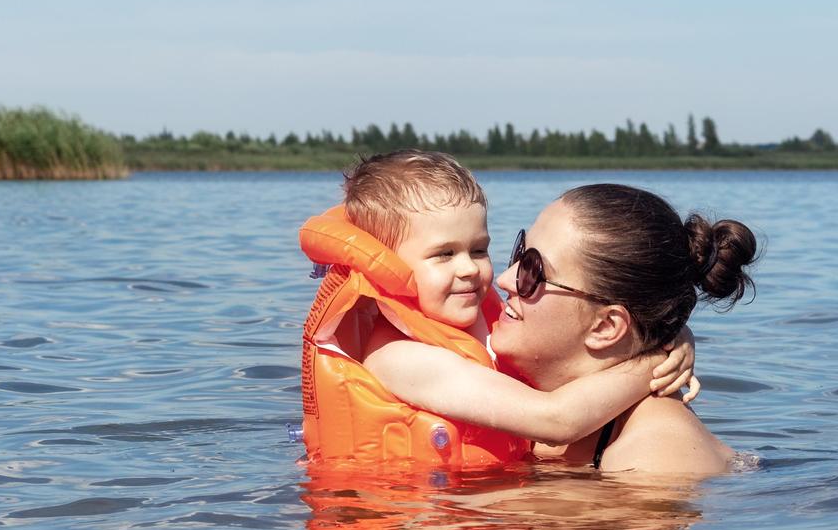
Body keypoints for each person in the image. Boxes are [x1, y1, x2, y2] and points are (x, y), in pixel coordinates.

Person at [300, 152, 695, 466]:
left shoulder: (479, 324)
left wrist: (673, 332)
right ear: (390, 266)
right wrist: (654, 361)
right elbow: (557, 420)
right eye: (443, 255)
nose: (470, 269)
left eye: (479, 249)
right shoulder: (399, 357)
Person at [366, 182, 757, 475]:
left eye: (533, 272)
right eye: (519, 253)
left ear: (605, 326)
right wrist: (663, 348)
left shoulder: (655, 457)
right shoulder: (493, 381)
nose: (503, 279)